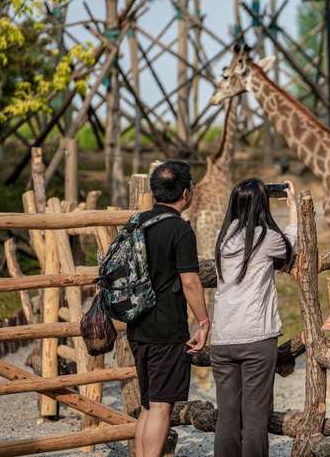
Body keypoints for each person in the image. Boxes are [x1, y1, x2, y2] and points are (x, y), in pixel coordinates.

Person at [128, 160, 210, 457]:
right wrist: (203, 322)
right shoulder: (180, 230)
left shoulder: (137, 223)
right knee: (162, 406)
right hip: (166, 328)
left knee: (148, 404)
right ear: (186, 193)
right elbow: (189, 282)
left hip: (137, 325)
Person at [211, 178, 298, 457]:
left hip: (222, 337)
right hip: (256, 338)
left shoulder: (222, 238)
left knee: (227, 416)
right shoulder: (266, 238)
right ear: (263, 204)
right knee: (255, 417)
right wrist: (293, 206)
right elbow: (293, 244)